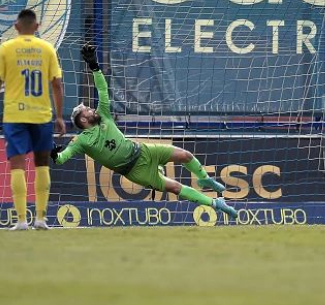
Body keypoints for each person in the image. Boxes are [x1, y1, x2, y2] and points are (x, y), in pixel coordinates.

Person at [51, 43, 237, 219]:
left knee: (185, 155)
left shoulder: (104, 115)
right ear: (83, 119)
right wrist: (54, 153)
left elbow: (102, 89)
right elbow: (62, 158)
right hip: (135, 171)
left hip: (143, 151)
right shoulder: (81, 140)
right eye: (87, 110)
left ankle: (204, 179)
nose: (92, 109)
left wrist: (94, 66)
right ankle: (215, 203)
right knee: (175, 187)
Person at [0, 9, 65, 230]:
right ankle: (40, 218)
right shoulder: (47, 48)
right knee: (42, 164)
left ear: (16, 26)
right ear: (37, 26)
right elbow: (57, 84)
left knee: (17, 166)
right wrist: (59, 116)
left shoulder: (7, 49)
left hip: (15, 115)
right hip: (41, 115)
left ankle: (21, 220)